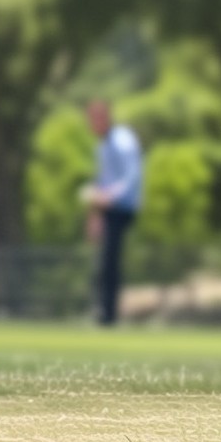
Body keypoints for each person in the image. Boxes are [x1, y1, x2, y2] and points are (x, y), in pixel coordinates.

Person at [82, 99, 145, 327]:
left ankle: (109, 314)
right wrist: (94, 214)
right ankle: (104, 311)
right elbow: (103, 180)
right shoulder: (101, 146)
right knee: (104, 261)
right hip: (107, 208)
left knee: (110, 260)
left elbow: (132, 176)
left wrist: (110, 196)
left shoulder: (123, 140)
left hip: (123, 207)